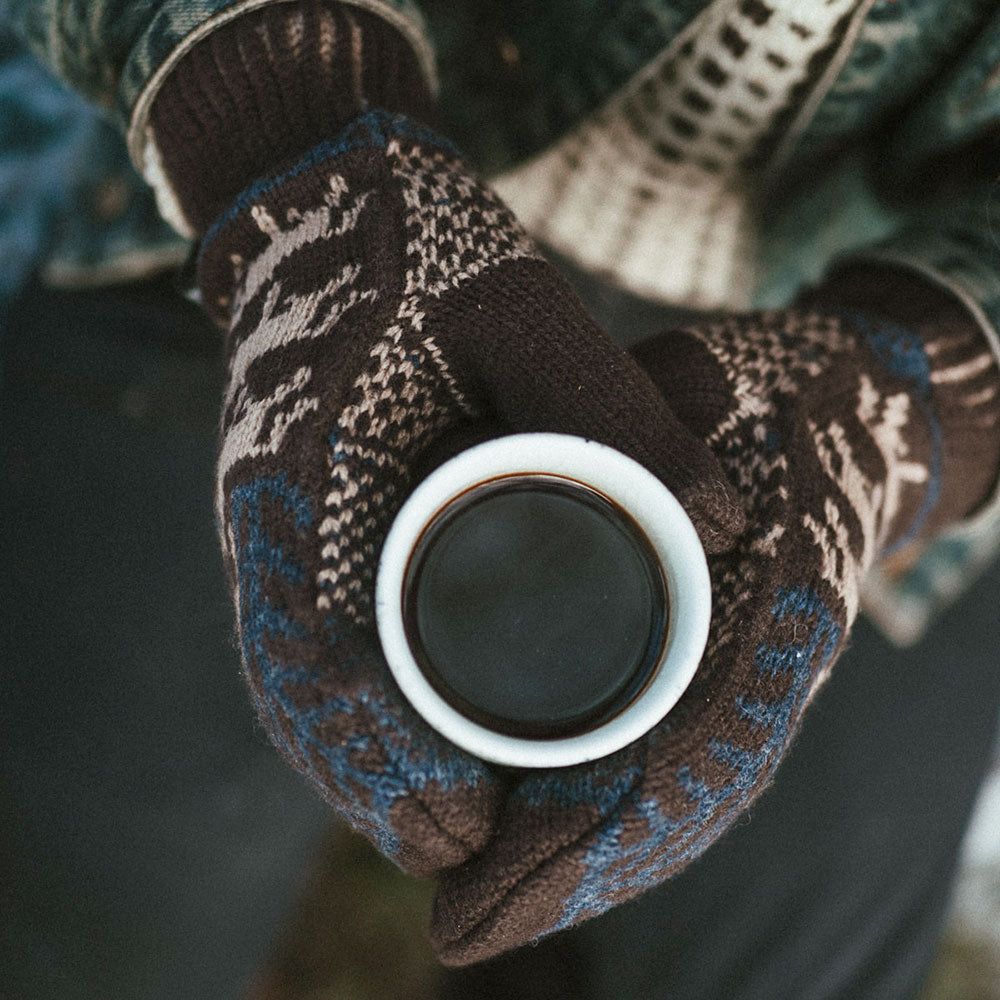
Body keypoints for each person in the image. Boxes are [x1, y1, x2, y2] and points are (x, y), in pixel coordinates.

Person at [5, 0, 1000, 991]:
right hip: (287, 185)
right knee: (105, 916)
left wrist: (905, 402)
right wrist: (292, 135)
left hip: (865, 353)